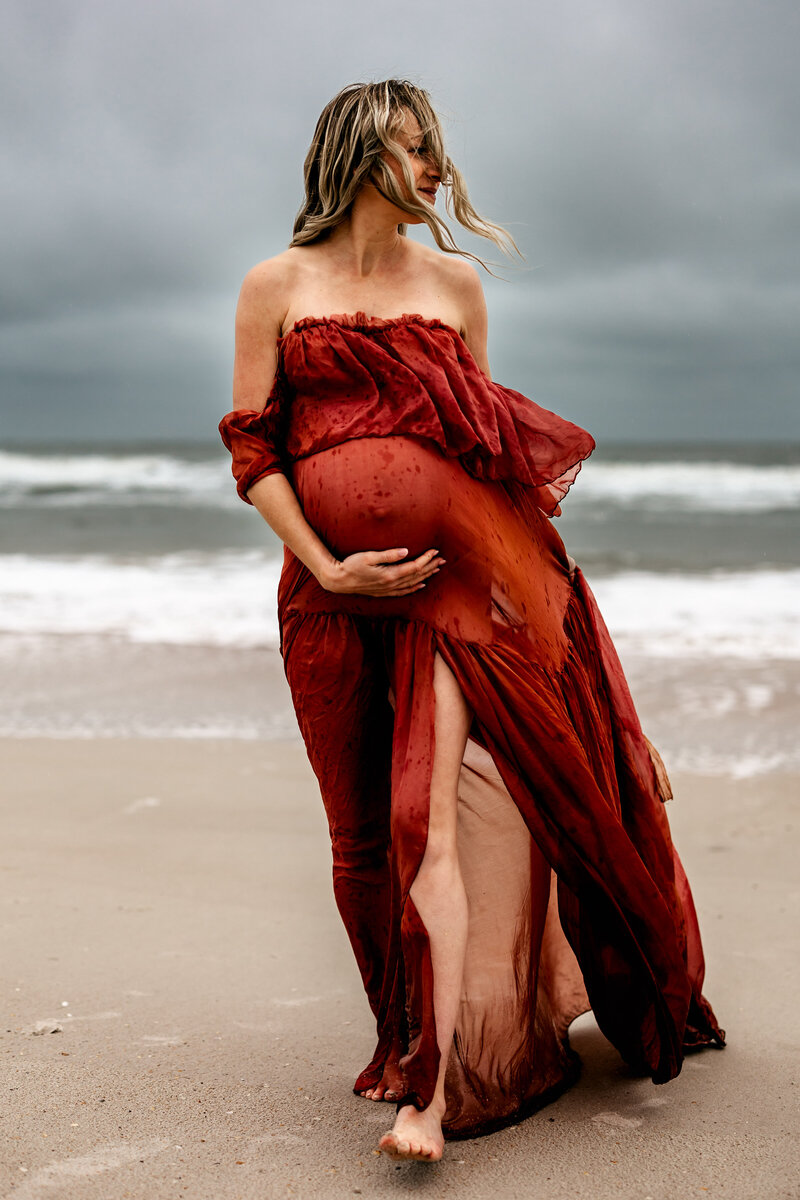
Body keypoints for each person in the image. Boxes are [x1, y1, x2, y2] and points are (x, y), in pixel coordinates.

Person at [219, 79, 724, 1164]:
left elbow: (490, 468)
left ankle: (429, 1064)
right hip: (329, 600)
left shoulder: (454, 287)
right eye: (414, 150)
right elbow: (253, 452)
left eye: (437, 151)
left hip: (453, 595)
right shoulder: (274, 285)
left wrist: (579, 662)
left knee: (422, 820)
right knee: (356, 835)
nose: (436, 170)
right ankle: (391, 1031)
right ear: (360, 156)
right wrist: (328, 566)